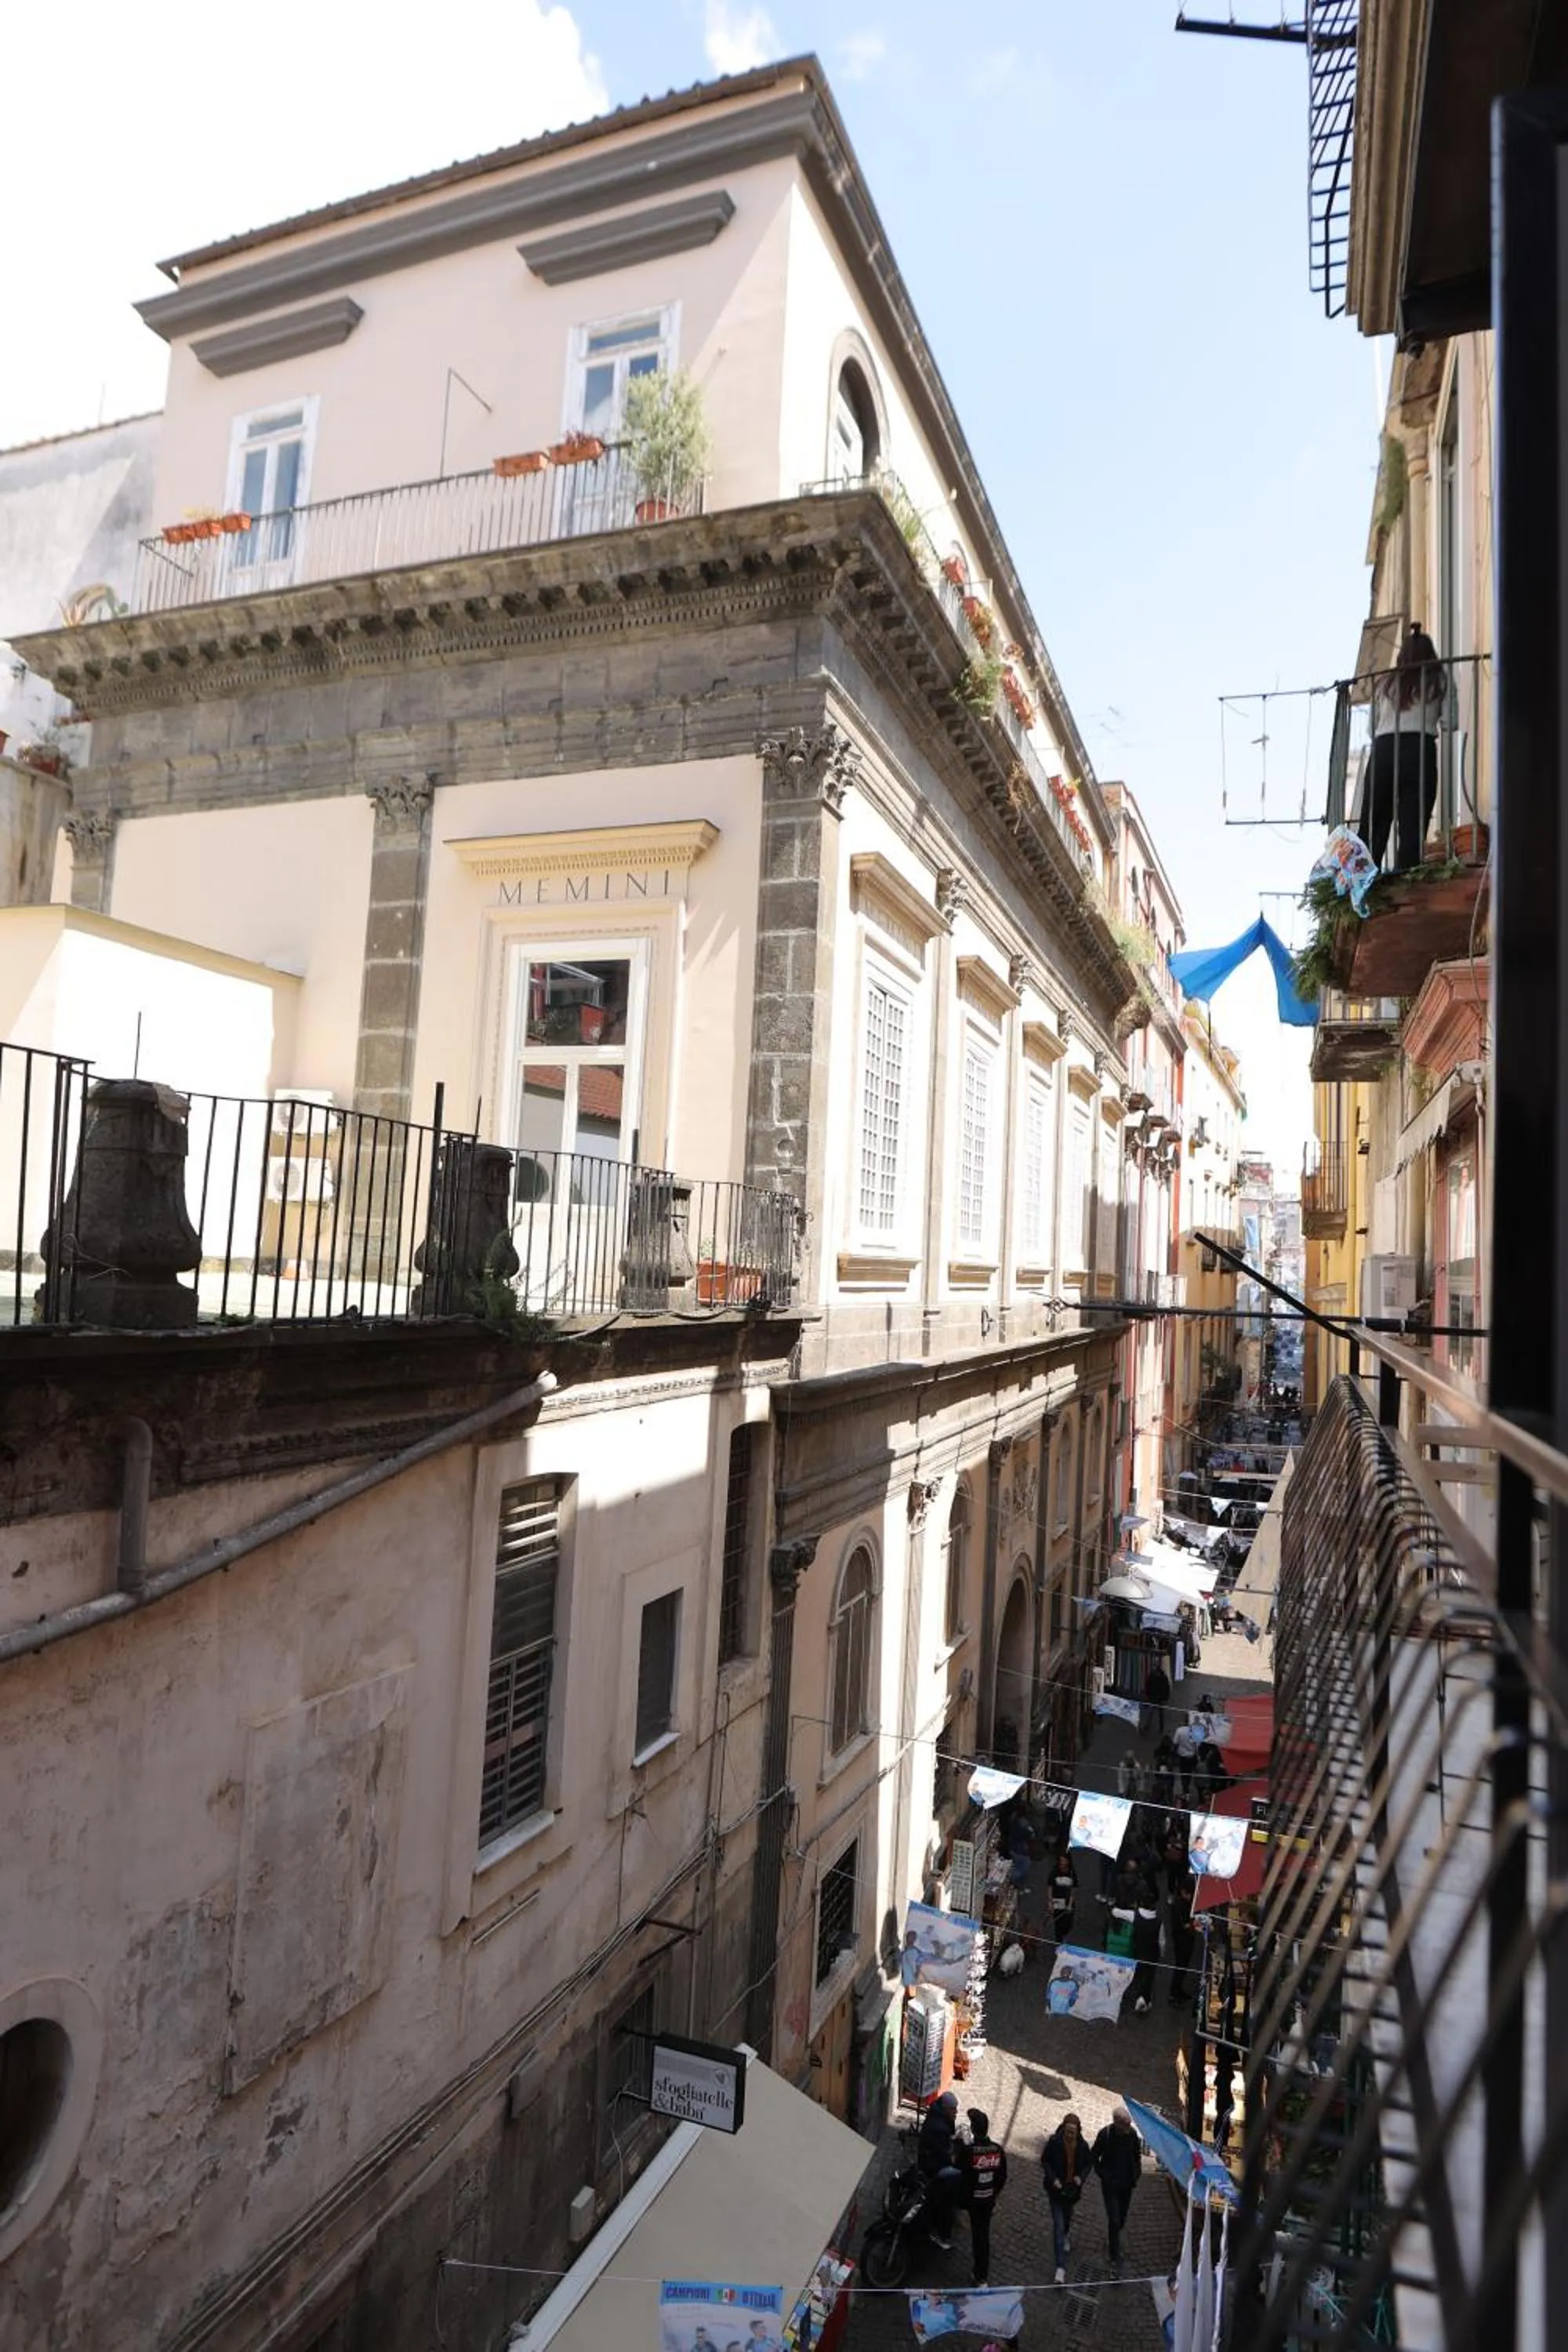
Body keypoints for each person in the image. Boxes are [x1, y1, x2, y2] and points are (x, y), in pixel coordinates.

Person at [1363, 621, 1445, 870]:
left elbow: (1370, 729)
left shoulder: (1385, 683)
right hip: (1419, 748)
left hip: (1384, 748)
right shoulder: (1439, 680)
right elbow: (1452, 722)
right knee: (1413, 822)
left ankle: (1364, 879)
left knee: (1374, 819)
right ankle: (1405, 877)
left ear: (1401, 656)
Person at [1040, 2110, 1094, 2282]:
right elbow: (1045, 2160)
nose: (1070, 2135)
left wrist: (1081, 2177)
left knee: (1067, 2218)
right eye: (1068, 2131)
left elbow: (1087, 2164)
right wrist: (1053, 2178)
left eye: (1073, 2132)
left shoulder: (1083, 2146)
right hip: (1056, 2190)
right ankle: (1060, 2268)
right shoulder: (1055, 2143)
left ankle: (1065, 2236)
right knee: (1058, 2226)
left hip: (1071, 2191)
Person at [958, 2107, 1008, 2286]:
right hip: (988, 2200)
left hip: (974, 2200)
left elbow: (960, 2172)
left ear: (973, 2129)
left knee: (978, 2235)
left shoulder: (969, 2152)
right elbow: (1002, 2177)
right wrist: (994, 2193)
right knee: (983, 2233)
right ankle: (981, 2272)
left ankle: (980, 2274)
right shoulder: (997, 2150)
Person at [1092, 2103, 1145, 2274]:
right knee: (1114, 2218)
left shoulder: (1132, 2135)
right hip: (1111, 2186)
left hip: (1127, 2184)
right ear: (1116, 2123)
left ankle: (1113, 2238)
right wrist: (1104, 2175)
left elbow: (1137, 2156)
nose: (1129, 2128)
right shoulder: (1106, 2135)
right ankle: (1115, 2255)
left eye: (1129, 2124)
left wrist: (1136, 2173)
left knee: (1121, 2217)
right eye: (1125, 2125)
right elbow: (1094, 2157)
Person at [916, 2089, 964, 2250]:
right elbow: (943, 2156)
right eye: (953, 2110)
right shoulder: (939, 2128)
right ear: (946, 2109)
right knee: (959, 2176)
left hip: (929, 2159)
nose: (956, 2112)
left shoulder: (936, 2114)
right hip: (933, 2167)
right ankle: (946, 2223)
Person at [1049, 1842, 1078, 1947]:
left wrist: (1070, 1903)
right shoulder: (1055, 1871)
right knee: (1058, 1923)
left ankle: (1064, 1936)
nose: (1062, 1863)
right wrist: (1050, 1901)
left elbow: (1074, 1888)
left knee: (1068, 1923)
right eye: (1061, 1860)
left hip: (1068, 1900)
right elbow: (1050, 1886)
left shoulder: (1071, 1873)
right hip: (1057, 1900)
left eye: (1064, 1860)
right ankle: (1059, 1943)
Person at [1143, 1657, 1171, 1735]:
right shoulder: (1161, 1675)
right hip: (1158, 1697)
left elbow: (1148, 1685)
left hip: (1156, 1697)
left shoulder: (1155, 1675)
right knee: (1157, 1713)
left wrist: (1148, 1695)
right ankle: (1159, 1728)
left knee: (1154, 1712)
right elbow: (1166, 1688)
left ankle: (1149, 1727)